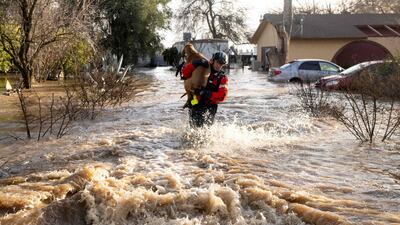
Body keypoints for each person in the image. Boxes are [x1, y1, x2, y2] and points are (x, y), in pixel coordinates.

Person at [188, 51, 228, 128]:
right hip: (195, 103)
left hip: (210, 106)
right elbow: (186, 73)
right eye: (218, 62)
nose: (219, 65)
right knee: (193, 129)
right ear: (213, 60)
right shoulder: (201, 68)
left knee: (206, 130)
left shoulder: (222, 78)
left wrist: (206, 93)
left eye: (221, 64)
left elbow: (223, 96)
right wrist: (193, 64)